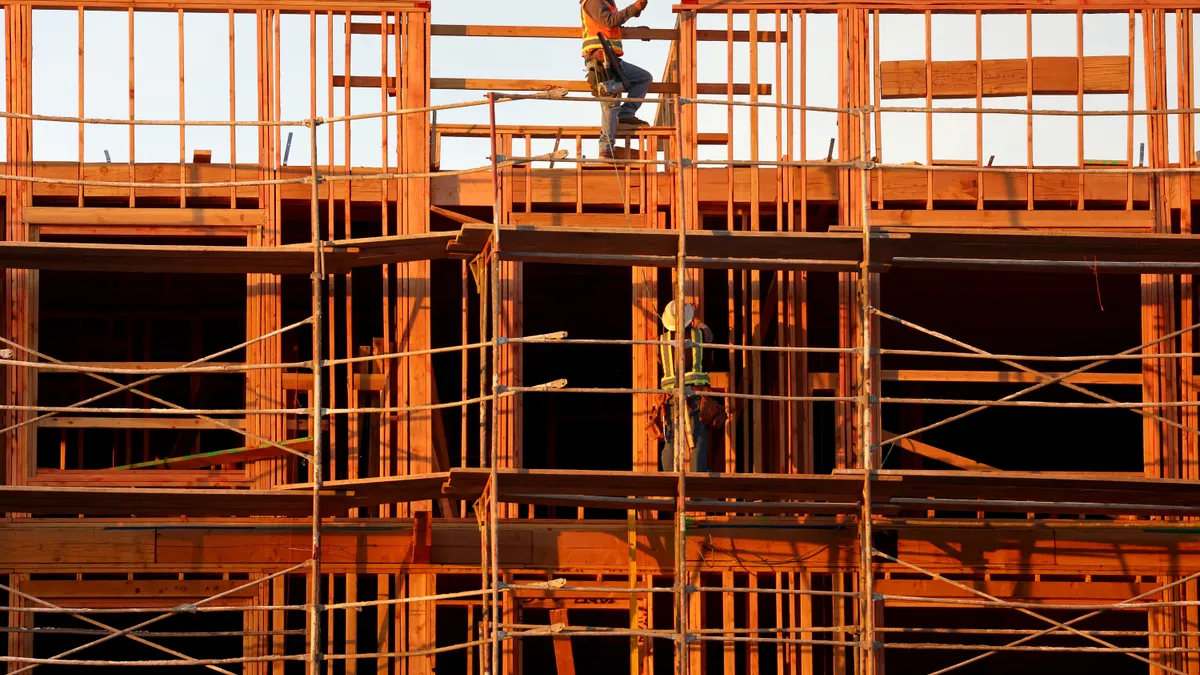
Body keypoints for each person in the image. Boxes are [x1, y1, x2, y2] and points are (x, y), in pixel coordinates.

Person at [580, 0, 654, 160]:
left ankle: (626, 114)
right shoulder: (593, 1)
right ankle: (605, 148)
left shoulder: (605, 3)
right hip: (600, 61)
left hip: (612, 60)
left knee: (643, 78)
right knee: (611, 102)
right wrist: (635, 8)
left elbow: (611, 29)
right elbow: (609, 21)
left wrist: (636, 31)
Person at [655, 301, 722, 473]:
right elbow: (709, 335)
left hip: (671, 398)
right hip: (696, 396)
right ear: (688, 319)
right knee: (697, 441)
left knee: (671, 441)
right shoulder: (700, 335)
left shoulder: (660, 342)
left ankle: (670, 482)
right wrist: (697, 318)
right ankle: (696, 485)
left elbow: (661, 361)